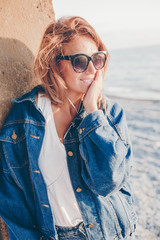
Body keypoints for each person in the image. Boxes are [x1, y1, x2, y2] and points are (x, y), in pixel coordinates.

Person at [0, 16, 137, 240]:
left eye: (98, 59)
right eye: (80, 61)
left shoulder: (109, 114)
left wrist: (92, 111)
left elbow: (108, 181)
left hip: (113, 232)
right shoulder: (23, 119)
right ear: (55, 63)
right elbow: (11, 199)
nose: (92, 69)